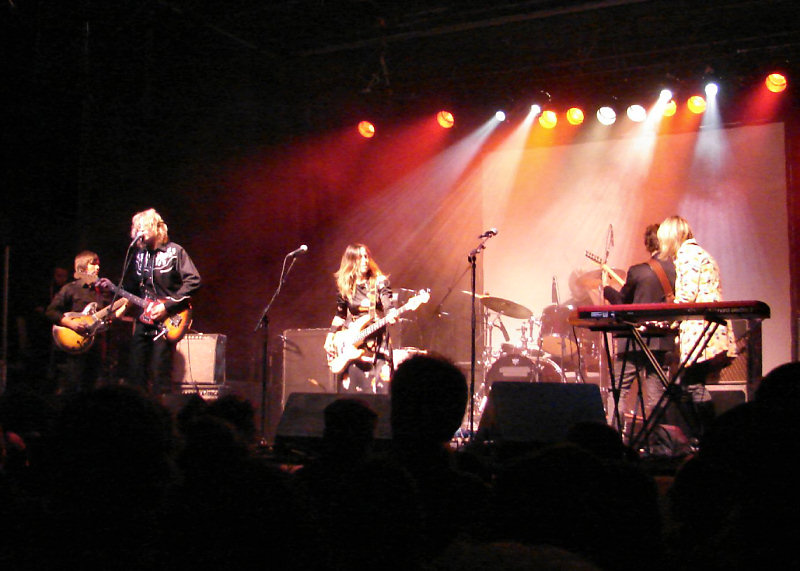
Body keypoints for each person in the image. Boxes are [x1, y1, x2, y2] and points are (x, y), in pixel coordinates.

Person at [105, 208, 201, 397]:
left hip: (168, 320)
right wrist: (110, 287)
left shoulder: (175, 251)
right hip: (144, 320)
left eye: (144, 226)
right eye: (136, 227)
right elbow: (130, 287)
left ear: (156, 228)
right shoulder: (138, 255)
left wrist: (166, 306)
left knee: (160, 372)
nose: (139, 231)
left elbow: (194, 281)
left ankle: (161, 412)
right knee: (135, 370)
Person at [657, 215, 735, 435]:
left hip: (701, 328)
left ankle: (709, 436)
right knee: (688, 384)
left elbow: (687, 297)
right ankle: (703, 436)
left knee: (691, 384)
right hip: (709, 326)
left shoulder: (687, 255)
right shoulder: (701, 253)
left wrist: (663, 318)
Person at [603, 224, 676, 430]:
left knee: (618, 392)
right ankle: (659, 444)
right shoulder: (677, 270)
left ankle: (614, 441)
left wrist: (607, 289)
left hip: (633, 342)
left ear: (648, 243)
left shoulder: (637, 271)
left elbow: (622, 305)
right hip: (661, 342)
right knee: (656, 396)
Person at [45, 251, 127, 394]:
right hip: (73, 346)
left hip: (94, 346)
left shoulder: (102, 292)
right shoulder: (70, 289)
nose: (97, 267)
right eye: (93, 264)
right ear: (82, 268)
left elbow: (109, 318)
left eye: (98, 264)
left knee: (91, 387)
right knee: (70, 386)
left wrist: (126, 305)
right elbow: (51, 311)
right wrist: (71, 324)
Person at [324, 244, 395, 394]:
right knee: (355, 395)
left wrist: (392, 313)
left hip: (376, 342)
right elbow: (340, 314)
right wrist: (330, 337)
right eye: (359, 257)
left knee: (382, 392)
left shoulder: (379, 282)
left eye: (366, 256)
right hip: (352, 345)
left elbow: (388, 305)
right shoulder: (346, 286)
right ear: (350, 261)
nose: (364, 260)